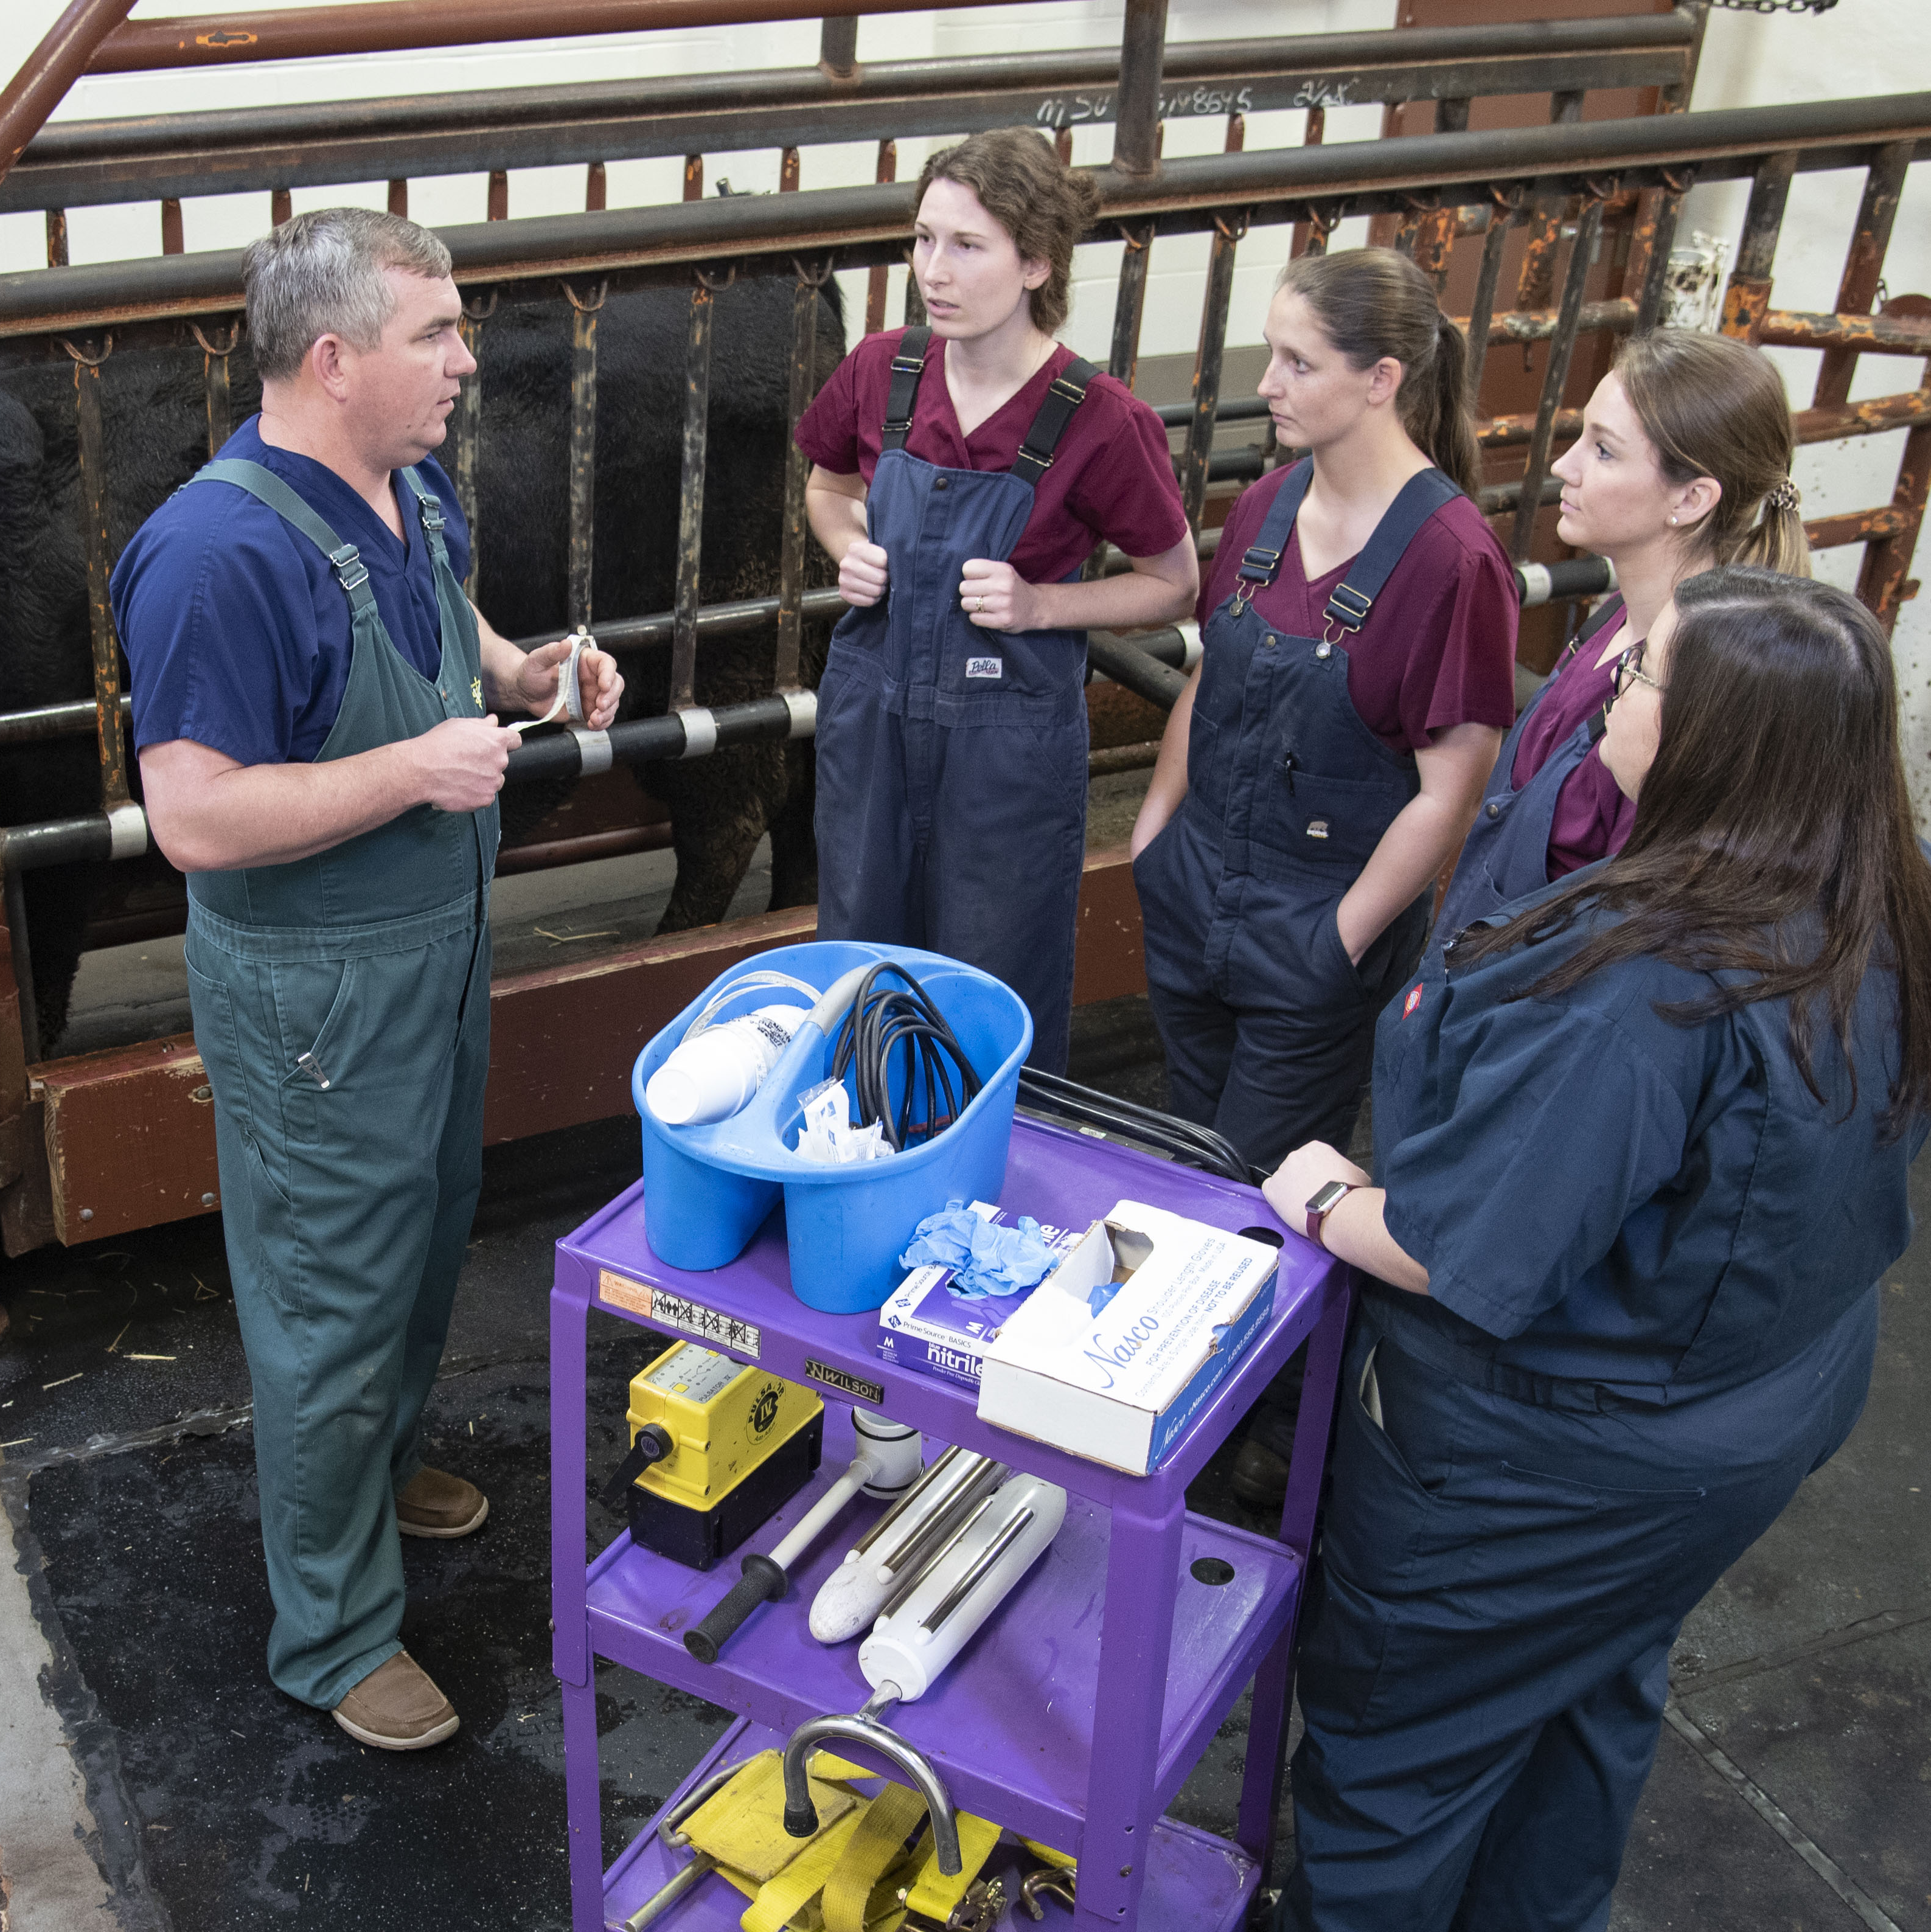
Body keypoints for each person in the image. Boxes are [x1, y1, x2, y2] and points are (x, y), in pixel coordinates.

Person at [1259, 568, 1931, 1932]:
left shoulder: (1640, 992)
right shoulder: (1871, 902)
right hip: (1752, 1409)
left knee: (1395, 1754)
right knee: (1587, 1693)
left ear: (1709, 740)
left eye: (1638, 675)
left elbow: (1466, 1254)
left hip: (1544, 1466)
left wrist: (1323, 1195)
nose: (1608, 691)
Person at [111, 209, 623, 1753]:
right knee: (331, 1298)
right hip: (315, 998)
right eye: (437, 335)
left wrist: (525, 673)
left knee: (420, 1237)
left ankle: (377, 1476)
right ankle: (330, 1633)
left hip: (432, 954)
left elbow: (442, 630)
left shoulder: (404, 488)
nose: (468, 359)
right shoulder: (213, 553)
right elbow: (193, 815)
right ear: (332, 361)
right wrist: (415, 767)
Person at [797, 129, 1195, 1075]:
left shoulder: (1103, 421)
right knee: (860, 972)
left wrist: (1038, 606)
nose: (934, 271)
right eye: (923, 240)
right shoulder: (882, 369)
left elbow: (1176, 578)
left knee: (991, 982)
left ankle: (987, 1201)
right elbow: (825, 487)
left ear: (1036, 264)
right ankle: (858, 1177)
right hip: (872, 724)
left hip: (1005, 753)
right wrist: (847, 547)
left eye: (966, 247)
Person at [1129, 248, 1515, 1172]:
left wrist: (1336, 946)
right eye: (1271, 354)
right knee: (1189, 1158)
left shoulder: (1452, 560)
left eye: (1298, 363)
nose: (1267, 384)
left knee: (1264, 1201)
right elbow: (1208, 682)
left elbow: (1450, 788)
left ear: (1381, 380)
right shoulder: (1269, 503)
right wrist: (1153, 838)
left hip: (1313, 931)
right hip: (1195, 899)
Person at [1435, 328, 1810, 948]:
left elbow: (1638, 936)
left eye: (1602, 451)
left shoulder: (1684, 695)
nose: (1563, 465)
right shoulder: (1614, 616)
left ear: (1690, 499)